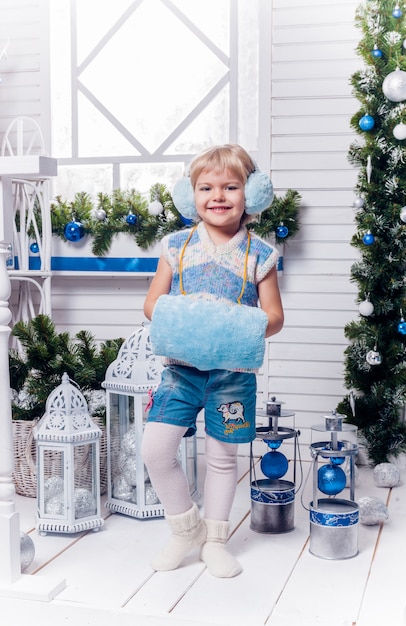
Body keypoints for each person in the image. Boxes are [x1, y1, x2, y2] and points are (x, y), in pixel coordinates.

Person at [141, 144, 284, 578]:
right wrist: (192, 316)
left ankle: (216, 541)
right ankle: (185, 528)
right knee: (156, 450)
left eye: (230, 186)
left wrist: (228, 324)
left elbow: (274, 318)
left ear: (252, 194)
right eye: (206, 187)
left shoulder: (260, 255)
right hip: (180, 372)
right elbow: (152, 304)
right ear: (191, 196)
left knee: (223, 457)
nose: (217, 196)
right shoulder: (176, 247)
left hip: (232, 375)